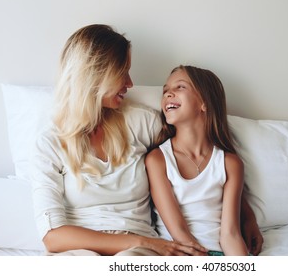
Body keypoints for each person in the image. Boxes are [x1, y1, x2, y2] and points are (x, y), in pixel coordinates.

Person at [31, 24, 207, 256]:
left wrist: (242, 213)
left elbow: (201, 159)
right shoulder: (50, 142)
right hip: (78, 250)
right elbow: (52, 237)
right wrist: (142, 242)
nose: (130, 83)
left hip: (136, 253)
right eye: (123, 72)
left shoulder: (141, 122)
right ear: (96, 75)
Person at [145, 65, 255, 255]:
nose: (168, 94)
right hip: (180, 253)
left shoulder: (230, 163)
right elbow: (179, 232)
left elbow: (231, 234)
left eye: (180, 87)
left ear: (204, 102)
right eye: (165, 90)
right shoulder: (158, 160)